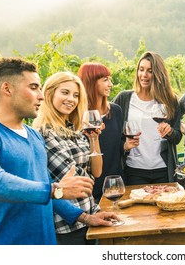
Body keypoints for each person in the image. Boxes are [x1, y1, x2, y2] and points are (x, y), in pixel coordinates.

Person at [0, 58, 119, 245]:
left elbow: (47, 188)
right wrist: (55, 189)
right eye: (34, 87)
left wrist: (84, 217)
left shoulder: (33, 136)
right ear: (7, 89)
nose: (42, 95)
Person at [32, 71, 108, 244]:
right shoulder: (43, 134)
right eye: (65, 93)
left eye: (76, 95)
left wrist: (94, 139)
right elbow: (79, 181)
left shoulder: (76, 132)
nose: (71, 99)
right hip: (66, 224)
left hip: (89, 214)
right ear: (50, 93)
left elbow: (96, 172)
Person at [113, 51, 182, 185]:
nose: (144, 75)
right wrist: (124, 146)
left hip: (163, 169)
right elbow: (111, 134)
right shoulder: (124, 99)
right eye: (141, 69)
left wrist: (170, 132)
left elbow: (177, 137)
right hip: (134, 169)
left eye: (150, 71)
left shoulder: (170, 101)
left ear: (158, 74)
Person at [78, 62, 138, 202]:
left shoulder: (115, 111)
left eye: (109, 79)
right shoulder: (78, 117)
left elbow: (115, 145)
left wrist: (125, 146)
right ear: (91, 82)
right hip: (89, 189)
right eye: (105, 80)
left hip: (115, 184)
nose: (110, 84)